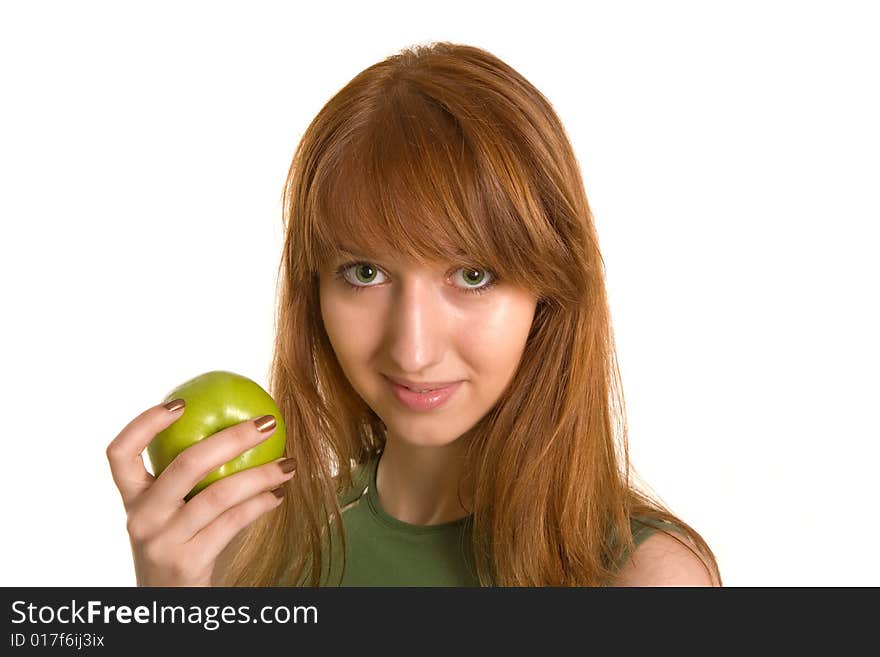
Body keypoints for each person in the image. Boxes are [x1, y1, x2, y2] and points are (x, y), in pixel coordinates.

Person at [107, 41, 722, 587]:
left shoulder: (644, 579)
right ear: (313, 289)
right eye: (365, 273)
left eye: (472, 275)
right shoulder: (252, 558)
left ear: (550, 290)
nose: (414, 350)